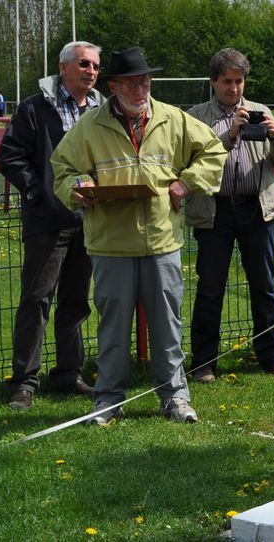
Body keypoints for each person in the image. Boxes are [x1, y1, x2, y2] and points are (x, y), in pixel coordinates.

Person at [51, 46, 226, 425]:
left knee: (168, 326)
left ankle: (175, 398)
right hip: (111, 244)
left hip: (161, 240)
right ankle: (108, 401)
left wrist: (187, 182)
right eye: (130, 82)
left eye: (145, 81)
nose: (139, 88)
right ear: (113, 86)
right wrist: (78, 186)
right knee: (112, 329)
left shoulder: (173, 119)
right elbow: (63, 169)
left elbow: (214, 149)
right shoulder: (90, 126)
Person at [0, 41, 104, 411]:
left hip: (88, 220)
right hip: (48, 221)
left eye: (94, 66)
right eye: (84, 64)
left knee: (76, 302)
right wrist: (38, 191)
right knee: (36, 299)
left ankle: (69, 374)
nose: (90, 71)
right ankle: (24, 382)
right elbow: (9, 155)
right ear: (64, 67)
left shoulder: (101, 110)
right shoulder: (34, 107)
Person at [185, 48, 274, 382]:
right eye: (226, 82)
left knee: (264, 287)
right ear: (213, 82)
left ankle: (270, 356)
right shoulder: (197, 116)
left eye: (239, 81)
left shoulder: (261, 111)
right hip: (214, 210)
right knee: (210, 289)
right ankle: (204, 362)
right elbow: (192, 161)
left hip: (257, 208)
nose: (234, 89)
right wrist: (230, 133)